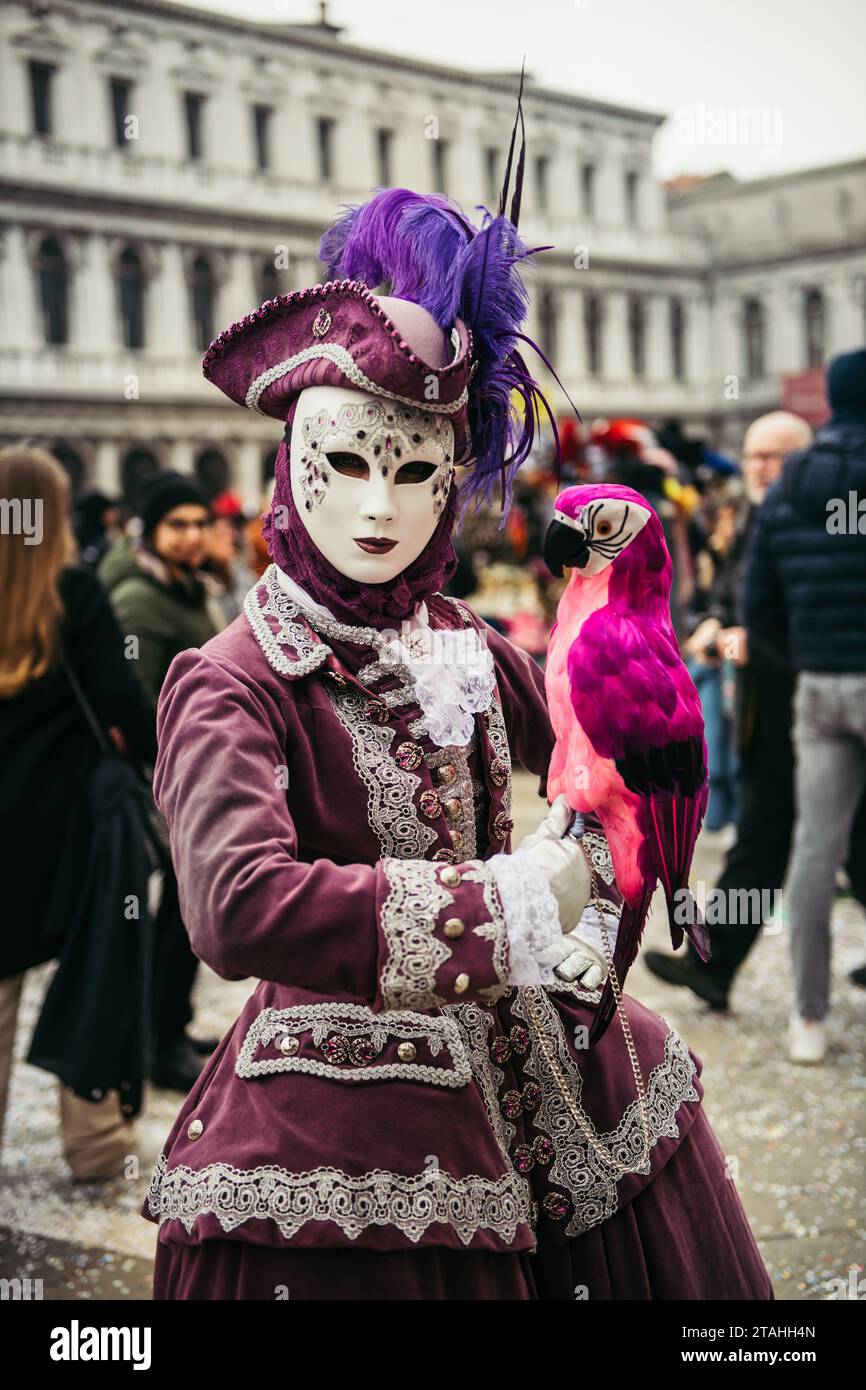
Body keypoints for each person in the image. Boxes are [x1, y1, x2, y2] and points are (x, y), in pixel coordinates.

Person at [140, 169, 771, 1300]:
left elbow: (608, 739)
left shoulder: (461, 636)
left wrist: (598, 843)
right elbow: (234, 904)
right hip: (342, 1114)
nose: (378, 510)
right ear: (292, 462)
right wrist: (515, 899)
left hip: (545, 1072)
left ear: (453, 480)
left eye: (416, 471)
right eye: (342, 465)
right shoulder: (232, 679)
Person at [0, 446, 156, 1178]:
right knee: (97, 971)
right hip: (64, 833)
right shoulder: (76, 592)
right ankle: (95, 1146)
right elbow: (124, 705)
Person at [743, 349, 866, 1063]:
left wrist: (806, 652)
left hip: (819, 684)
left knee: (814, 851)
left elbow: (758, 602)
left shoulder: (790, 487)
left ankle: (808, 1020)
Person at [99, 472, 221, 1092]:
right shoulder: (140, 601)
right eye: (179, 524)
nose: (193, 536)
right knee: (176, 913)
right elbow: (134, 706)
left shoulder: (184, 588)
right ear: (152, 531)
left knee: (186, 911)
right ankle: (157, 1040)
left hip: (191, 775)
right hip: (165, 782)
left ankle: (170, 1026)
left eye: (201, 523)